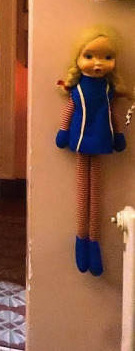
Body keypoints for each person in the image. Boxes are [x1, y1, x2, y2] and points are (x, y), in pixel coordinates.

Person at [56, 25, 129, 276]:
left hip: (100, 137)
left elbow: (113, 114)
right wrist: (63, 131)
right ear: (78, 58)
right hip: (80, 139)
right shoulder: (76, 89)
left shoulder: (108, 90)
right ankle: (81, 238)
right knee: (82, 192)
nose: (97, 63)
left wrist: (118, 134)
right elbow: (69, 111)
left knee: (95, 193)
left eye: (106, 57)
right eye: (89, 56)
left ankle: (93, 241)